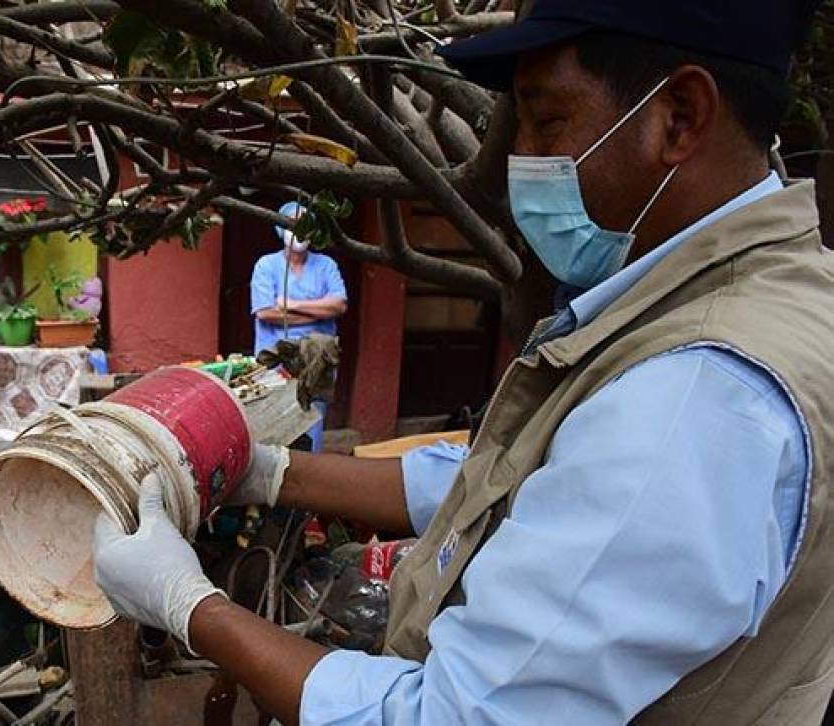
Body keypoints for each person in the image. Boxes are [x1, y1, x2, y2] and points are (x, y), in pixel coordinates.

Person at [93, 2, 834, 724]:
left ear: (678, 117)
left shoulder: (692, 399)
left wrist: (190, 606)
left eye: (548, 121)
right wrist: (273, 471)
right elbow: (525, 482)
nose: (524, 164)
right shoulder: (778, 291)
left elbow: (448, 715)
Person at [251, 201, 348, 452]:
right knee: (273, 424)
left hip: (317, 359)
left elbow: (338, 305)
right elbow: (265, 312)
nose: (300, 230)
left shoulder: (326, 265)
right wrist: (318, 314)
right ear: (280, 228)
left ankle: (309, 476)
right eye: (292, 224)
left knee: (312, 421)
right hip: (275, 360)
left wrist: (290, 304)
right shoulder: (266, 266)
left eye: (306, 224)